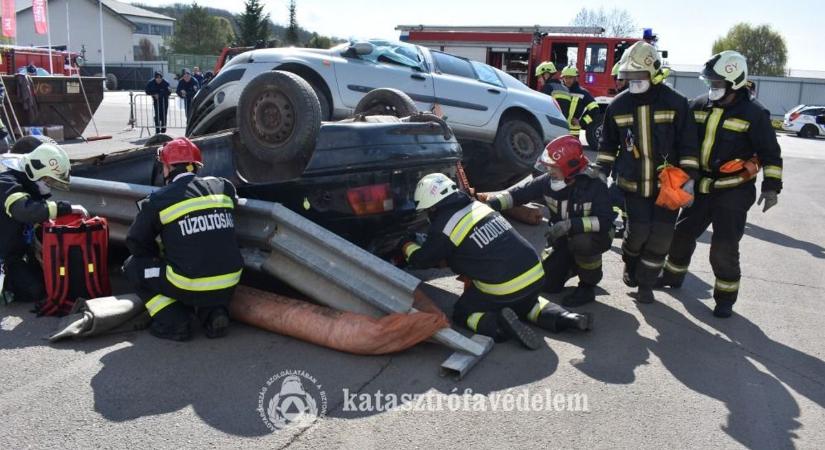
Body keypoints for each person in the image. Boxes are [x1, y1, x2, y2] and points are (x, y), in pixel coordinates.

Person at [401, 173, 592, 350]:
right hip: (535, 275)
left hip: (504, 287)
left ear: (433, 206)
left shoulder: (444, 226)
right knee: (529, 304)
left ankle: (498, 326)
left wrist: (406, 244)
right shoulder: (479, 206)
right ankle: (567, 318)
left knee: (462, 312)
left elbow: (422, 260)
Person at [659, 51, 783, 318]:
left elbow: (770, 153)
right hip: (700, 186)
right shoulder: (699, 104)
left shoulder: (755, 113)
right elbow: (682, 139)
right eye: (709, 82)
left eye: (716, 82)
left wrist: (771, 186)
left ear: (734, 82)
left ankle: (725, 298)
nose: (711, 87)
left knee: (723, 247)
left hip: (734, 190)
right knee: (682, 235)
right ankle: (672, 276)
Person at [595, 41, 699, 304]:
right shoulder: (618, 106)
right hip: (633, 184)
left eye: (639, 75)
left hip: (668, 187)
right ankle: (630, 264)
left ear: (653, 72)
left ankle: (645, 283)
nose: (634, 81)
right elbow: (607, 145)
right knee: (638, 233)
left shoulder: (676, 102)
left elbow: (688, 144)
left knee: (662, 237)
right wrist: (601, 172)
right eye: (629, 76)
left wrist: (690, 179)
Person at [123, 138, 243, 341]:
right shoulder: (223, 187)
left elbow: (135, 242)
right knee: (205, 263)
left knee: (133, 266)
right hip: (231, 279)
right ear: (196, 166)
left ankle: (174, 321)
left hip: (187, 282)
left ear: (168, 167)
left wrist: (157, 257)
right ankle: (214, 313)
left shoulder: (159, 199)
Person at [483, 136, 612, 307]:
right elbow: (516, 195)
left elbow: (605, 221)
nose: (549, 172)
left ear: (570, 167)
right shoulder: (547, 182)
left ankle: (587, 285)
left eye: (554, 168)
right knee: (548, 285)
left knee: (583, 242)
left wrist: (570, 225)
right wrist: (489, 205)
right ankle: (572, 266)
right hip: (561, 238)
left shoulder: (594, 185)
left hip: (592, 237)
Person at [1, 143, 87, 304]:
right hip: (5, 256)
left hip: (16, 250)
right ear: (35, 172)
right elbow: (25, 211)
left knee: (50, 282)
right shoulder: (6, 183)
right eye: (48, 180)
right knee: (34, 291)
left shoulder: (27, 182)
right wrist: (65, 208)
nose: (50, 185)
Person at [551, 66, 598, 137]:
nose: (567, 80)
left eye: (570, 77)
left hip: (573, 133)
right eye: (566, 77)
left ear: (576, 78)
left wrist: (582, 122)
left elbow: (595, 109)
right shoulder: (558, 91)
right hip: (559, 129)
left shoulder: (583, 93)